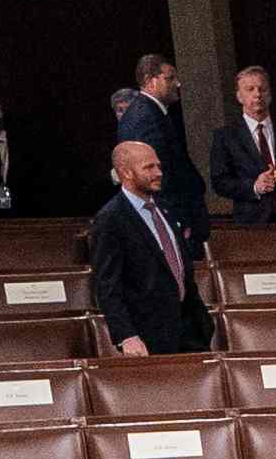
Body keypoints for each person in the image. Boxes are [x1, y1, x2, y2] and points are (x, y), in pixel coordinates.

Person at [84, 136, 207, 357]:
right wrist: (126, 336)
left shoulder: (165, 208)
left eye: (158, 166)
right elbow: (107, 285)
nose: (158, 172)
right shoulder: (110, 219)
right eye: (149, 167)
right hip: (148, 337)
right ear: (126, 172)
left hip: (191, 331)